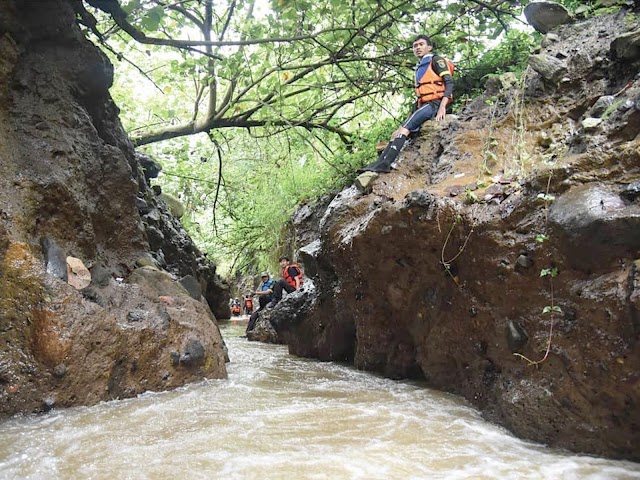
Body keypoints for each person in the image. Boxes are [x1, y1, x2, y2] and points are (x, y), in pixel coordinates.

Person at [359, 34, 454, 174]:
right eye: (415, 46)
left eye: (421, 44)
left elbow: (449, 82)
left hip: (434, 103)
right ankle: (378, 162)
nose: (418, 48)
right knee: (397, 132)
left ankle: (385, 164)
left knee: (404, 129)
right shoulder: (420, 66)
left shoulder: (436, 60)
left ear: (429, 47)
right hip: (424, 105)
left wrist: (442, 107)